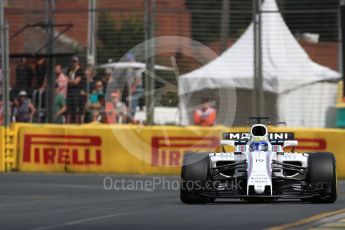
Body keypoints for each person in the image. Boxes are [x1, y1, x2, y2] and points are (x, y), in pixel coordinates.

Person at [66, 56, 86, 124]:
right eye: (72, 61)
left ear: (78, 62)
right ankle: (67, 125)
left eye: (75, 62)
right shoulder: (69, 70)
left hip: (77, 93)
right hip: (69, 93)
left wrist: (68, 80)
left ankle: (77, 125)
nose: (73, 63)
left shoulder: (80, 71)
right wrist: (70, 81)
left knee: (77, 110)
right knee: (68, 110)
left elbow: (76, 82)